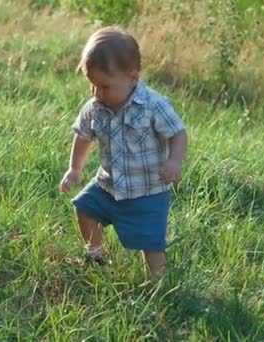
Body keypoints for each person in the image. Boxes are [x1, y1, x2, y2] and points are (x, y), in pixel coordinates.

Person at [59, 26, 187, 280]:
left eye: (105, 86)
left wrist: (174, 161)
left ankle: (158, 284)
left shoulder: (152, 105)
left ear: (132, 78)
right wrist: (75, 168)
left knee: (151, 243)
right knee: (84, 208)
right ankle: (96, 256)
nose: (97, 94)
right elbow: (83, 136)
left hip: (147, 191)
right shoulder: (95, 107)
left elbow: (177, 133)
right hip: (108, 185)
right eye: (92, 85)